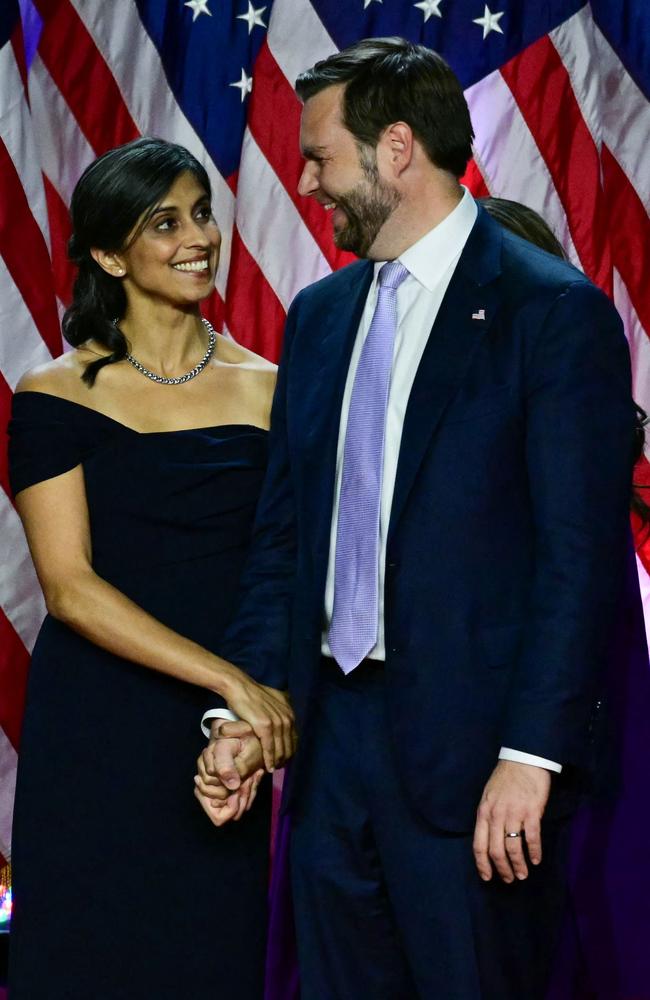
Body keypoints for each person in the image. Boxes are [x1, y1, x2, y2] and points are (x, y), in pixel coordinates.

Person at [195, 38, 637, 999]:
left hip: (476, 766)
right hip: (328, 756)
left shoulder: (548, 313)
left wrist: (530, 757)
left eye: (321, 157)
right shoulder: (317, 316)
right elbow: (286, 541)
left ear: (397, 148)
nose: (307, 181)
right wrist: (246, 705)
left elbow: (579, 563)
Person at [7, 137, 294, 999]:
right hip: (97, 725)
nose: (197, 237)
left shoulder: (272, 386)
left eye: (201, 213)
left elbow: (285, 567)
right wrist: (233, 681)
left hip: (220, 738)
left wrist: (241, 709)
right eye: (163, 222)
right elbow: (69, 587)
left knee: (211, 958)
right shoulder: (53, 393)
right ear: (107, 252)